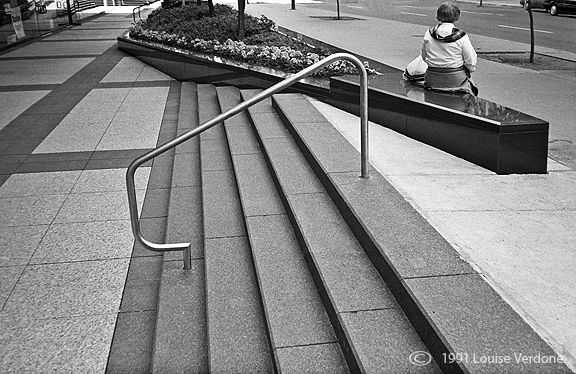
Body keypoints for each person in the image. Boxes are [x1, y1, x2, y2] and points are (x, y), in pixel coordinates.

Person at [421, 2, 478, 95]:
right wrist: (469, 69)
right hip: (456, 79)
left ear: (438, 15)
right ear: (456, 16)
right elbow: (470, 60)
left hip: (432, 78)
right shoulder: (461, 36)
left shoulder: (429, 33)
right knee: (470, 90)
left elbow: (424, 56)